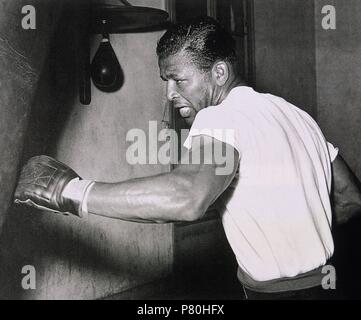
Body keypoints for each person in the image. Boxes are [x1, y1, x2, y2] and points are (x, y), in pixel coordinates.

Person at [14, 17, 361, 299]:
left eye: (178, 79)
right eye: (165, 80)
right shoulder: (296, 115)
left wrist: (70, 190)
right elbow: (349, 198)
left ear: (219, 74)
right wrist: (300, 233)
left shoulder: (221, 116)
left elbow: (186, 198)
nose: (169, 93)